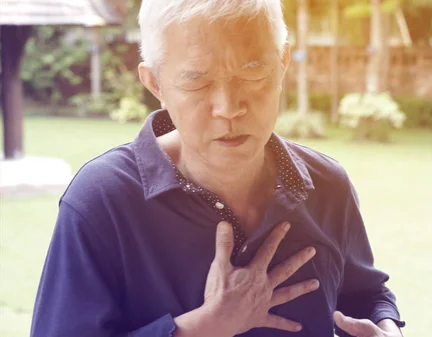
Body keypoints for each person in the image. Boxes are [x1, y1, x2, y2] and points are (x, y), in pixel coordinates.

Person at [30, 1, 405, 336]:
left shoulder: (327, 185)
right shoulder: (104, 199)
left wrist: (386, 328)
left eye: (252, 73)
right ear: (155, 83)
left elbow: (365, 293)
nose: (228, 107)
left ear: (283, 62)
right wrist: (200, 329)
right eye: (198, 81)